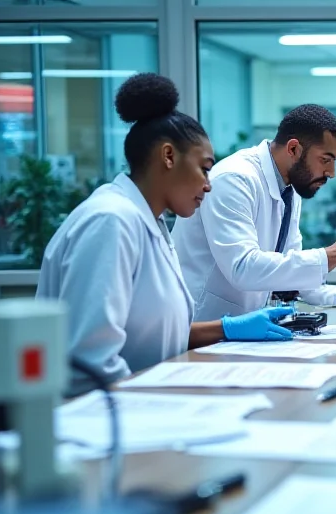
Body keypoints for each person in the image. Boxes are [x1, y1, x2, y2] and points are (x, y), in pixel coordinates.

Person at [37, 73, 294, 396]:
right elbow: (90, 363)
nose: (208, 184)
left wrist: (225, 330)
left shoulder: (150, 223)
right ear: (168, 156)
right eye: (204, 167)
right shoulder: (110, 222)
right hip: (102, 416)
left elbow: (151, 337)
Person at [172, 104, 336, 322]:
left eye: (335, 161)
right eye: (325, 160)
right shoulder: (234, 179)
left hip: (239, 329)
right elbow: (243, 268)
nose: (332, 172)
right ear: (293, 149)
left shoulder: (290, 188)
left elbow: (292, 273)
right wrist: (334, 255)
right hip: (199, 327)